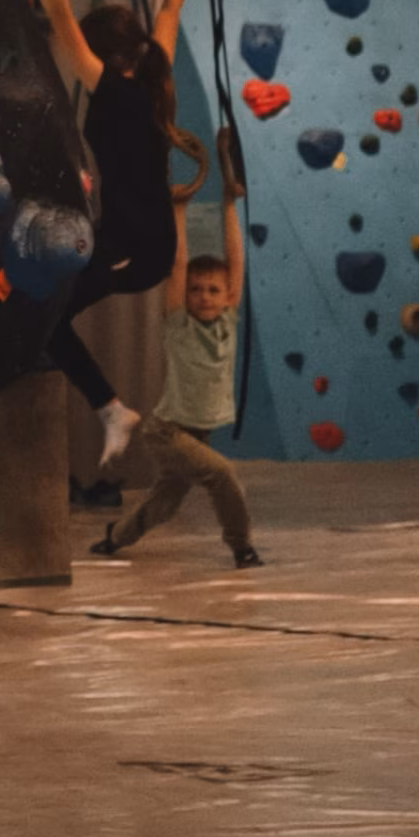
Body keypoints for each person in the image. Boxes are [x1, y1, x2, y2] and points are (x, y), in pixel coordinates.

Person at [16, 0, 202, 423]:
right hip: (133, 237)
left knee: (48, 317)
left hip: (138, 248)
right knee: (47, 312)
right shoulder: (152, 74)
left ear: (107, 56)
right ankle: (105, 404)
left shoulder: (118, 91)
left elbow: (60, 12)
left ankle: (110, 408)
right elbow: (171, 8)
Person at [95, 187, 263, 568]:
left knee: (166, 501)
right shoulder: (179, 326)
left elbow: (236, 260)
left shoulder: (227, 322)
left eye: (213, 290)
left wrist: (229, 204)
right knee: (222, 474)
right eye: (196, 290)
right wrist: (179, 211)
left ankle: (116, 537)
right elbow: (179, 264)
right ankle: (242, 546)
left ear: (227, 295)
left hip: (196, 433)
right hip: (167, 431)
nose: (204, 296)